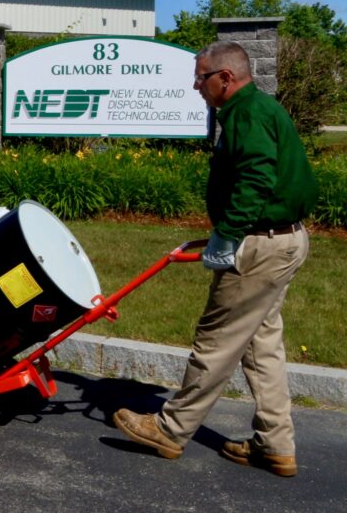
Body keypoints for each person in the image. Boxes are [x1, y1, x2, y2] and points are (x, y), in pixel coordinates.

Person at [114, 40, 317, 477]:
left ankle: (170, 430)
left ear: (226, 78)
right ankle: (276, 446)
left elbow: (257, 177)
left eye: (201, 77)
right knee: (262, 346)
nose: (195, 85)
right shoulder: (258, 109)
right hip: (284, 240)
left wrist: (226, 236)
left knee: (216, 340)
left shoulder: (247, 113)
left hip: (259, 245)